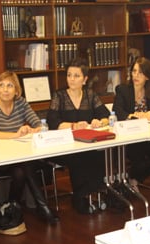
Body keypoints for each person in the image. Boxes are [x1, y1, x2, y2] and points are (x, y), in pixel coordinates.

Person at [0, 71, 59, 229]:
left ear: (16, 90)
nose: (5, 89)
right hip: (1, 158)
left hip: (23, 156)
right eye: (1, 85)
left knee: (21, 170)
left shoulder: (21, 103)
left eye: (9, 85)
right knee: (25, 166)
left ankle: (13, 204)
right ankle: (42, 206)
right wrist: (15, 135)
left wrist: (33, 130)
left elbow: (40, 124)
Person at [46, 58, 111, 214]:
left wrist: (99, 122)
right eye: (69, 75)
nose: (72, 79)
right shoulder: (59, 96)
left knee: (99, 153)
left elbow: (106, 115)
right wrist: (73, 126)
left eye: (76, 76)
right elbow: (52, 122)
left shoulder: (90, 95)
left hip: (86, 142)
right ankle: (80, 196)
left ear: (85, 79)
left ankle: (98, 193)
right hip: (65, 145)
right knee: (78, 156)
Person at [113, 57, 150, 191]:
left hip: (148, 135)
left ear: (148, 77)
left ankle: (133, 178)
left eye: (141, 73)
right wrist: (132, 116)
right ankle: (130, 180)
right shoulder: (123, 90)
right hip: (130, 137)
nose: (136, 75)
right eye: (134, 71)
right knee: (140, 161)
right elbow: (117, 111)